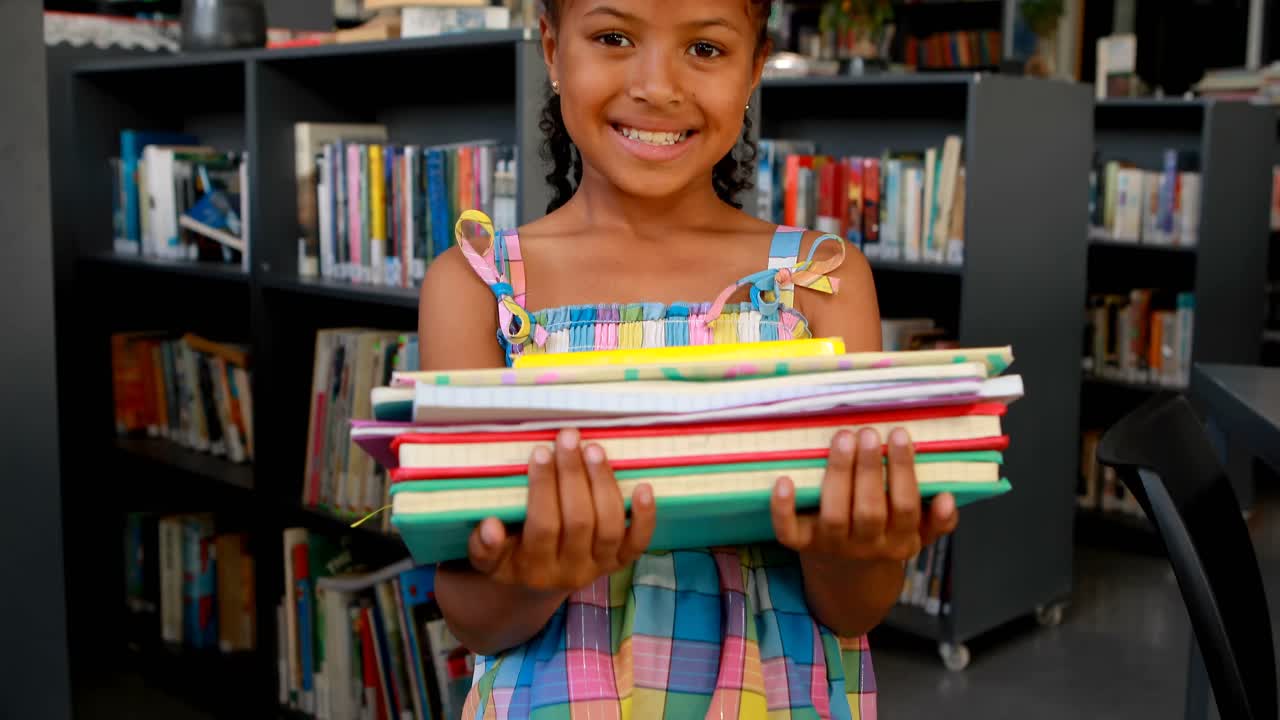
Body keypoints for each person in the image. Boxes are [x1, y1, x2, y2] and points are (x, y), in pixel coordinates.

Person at [417, 1, 960, 717]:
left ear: (755, 67)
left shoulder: (822, 280)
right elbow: (472, 620)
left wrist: (855, 549)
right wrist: (539, 572)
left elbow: (856, 610)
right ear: (551, 48)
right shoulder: (476, 288)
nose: (658, 86)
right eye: (613, 37)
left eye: (705, 49)